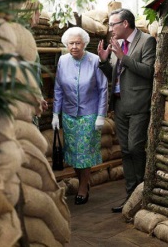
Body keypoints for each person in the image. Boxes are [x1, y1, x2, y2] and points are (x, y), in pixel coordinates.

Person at [97, 8, 156, 213]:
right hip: (120, 105)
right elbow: (114, 75)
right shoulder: (117, 44)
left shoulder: (146, 41)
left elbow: (149, 72)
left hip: (138, 104)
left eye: (113, 24)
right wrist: (105, 61)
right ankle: (130, 197)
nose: (110, 28)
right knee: (125, 151)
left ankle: (142, 195)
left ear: (125, 24)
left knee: (135, 149)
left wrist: (123, 57)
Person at [52, 27, 108, 205]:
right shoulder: (63, 60)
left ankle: (83, 187)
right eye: (71, 43)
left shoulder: (94, 60)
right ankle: (84, 183)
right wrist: (55, 113)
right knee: (74, 154)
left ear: (84, 43)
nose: (74, 46)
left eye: (77, 43)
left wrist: (101, 115)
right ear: (66, 44)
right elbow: (58, 88)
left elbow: (103, 89)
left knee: (85, 154)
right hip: (69, 115)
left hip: (89, 115)